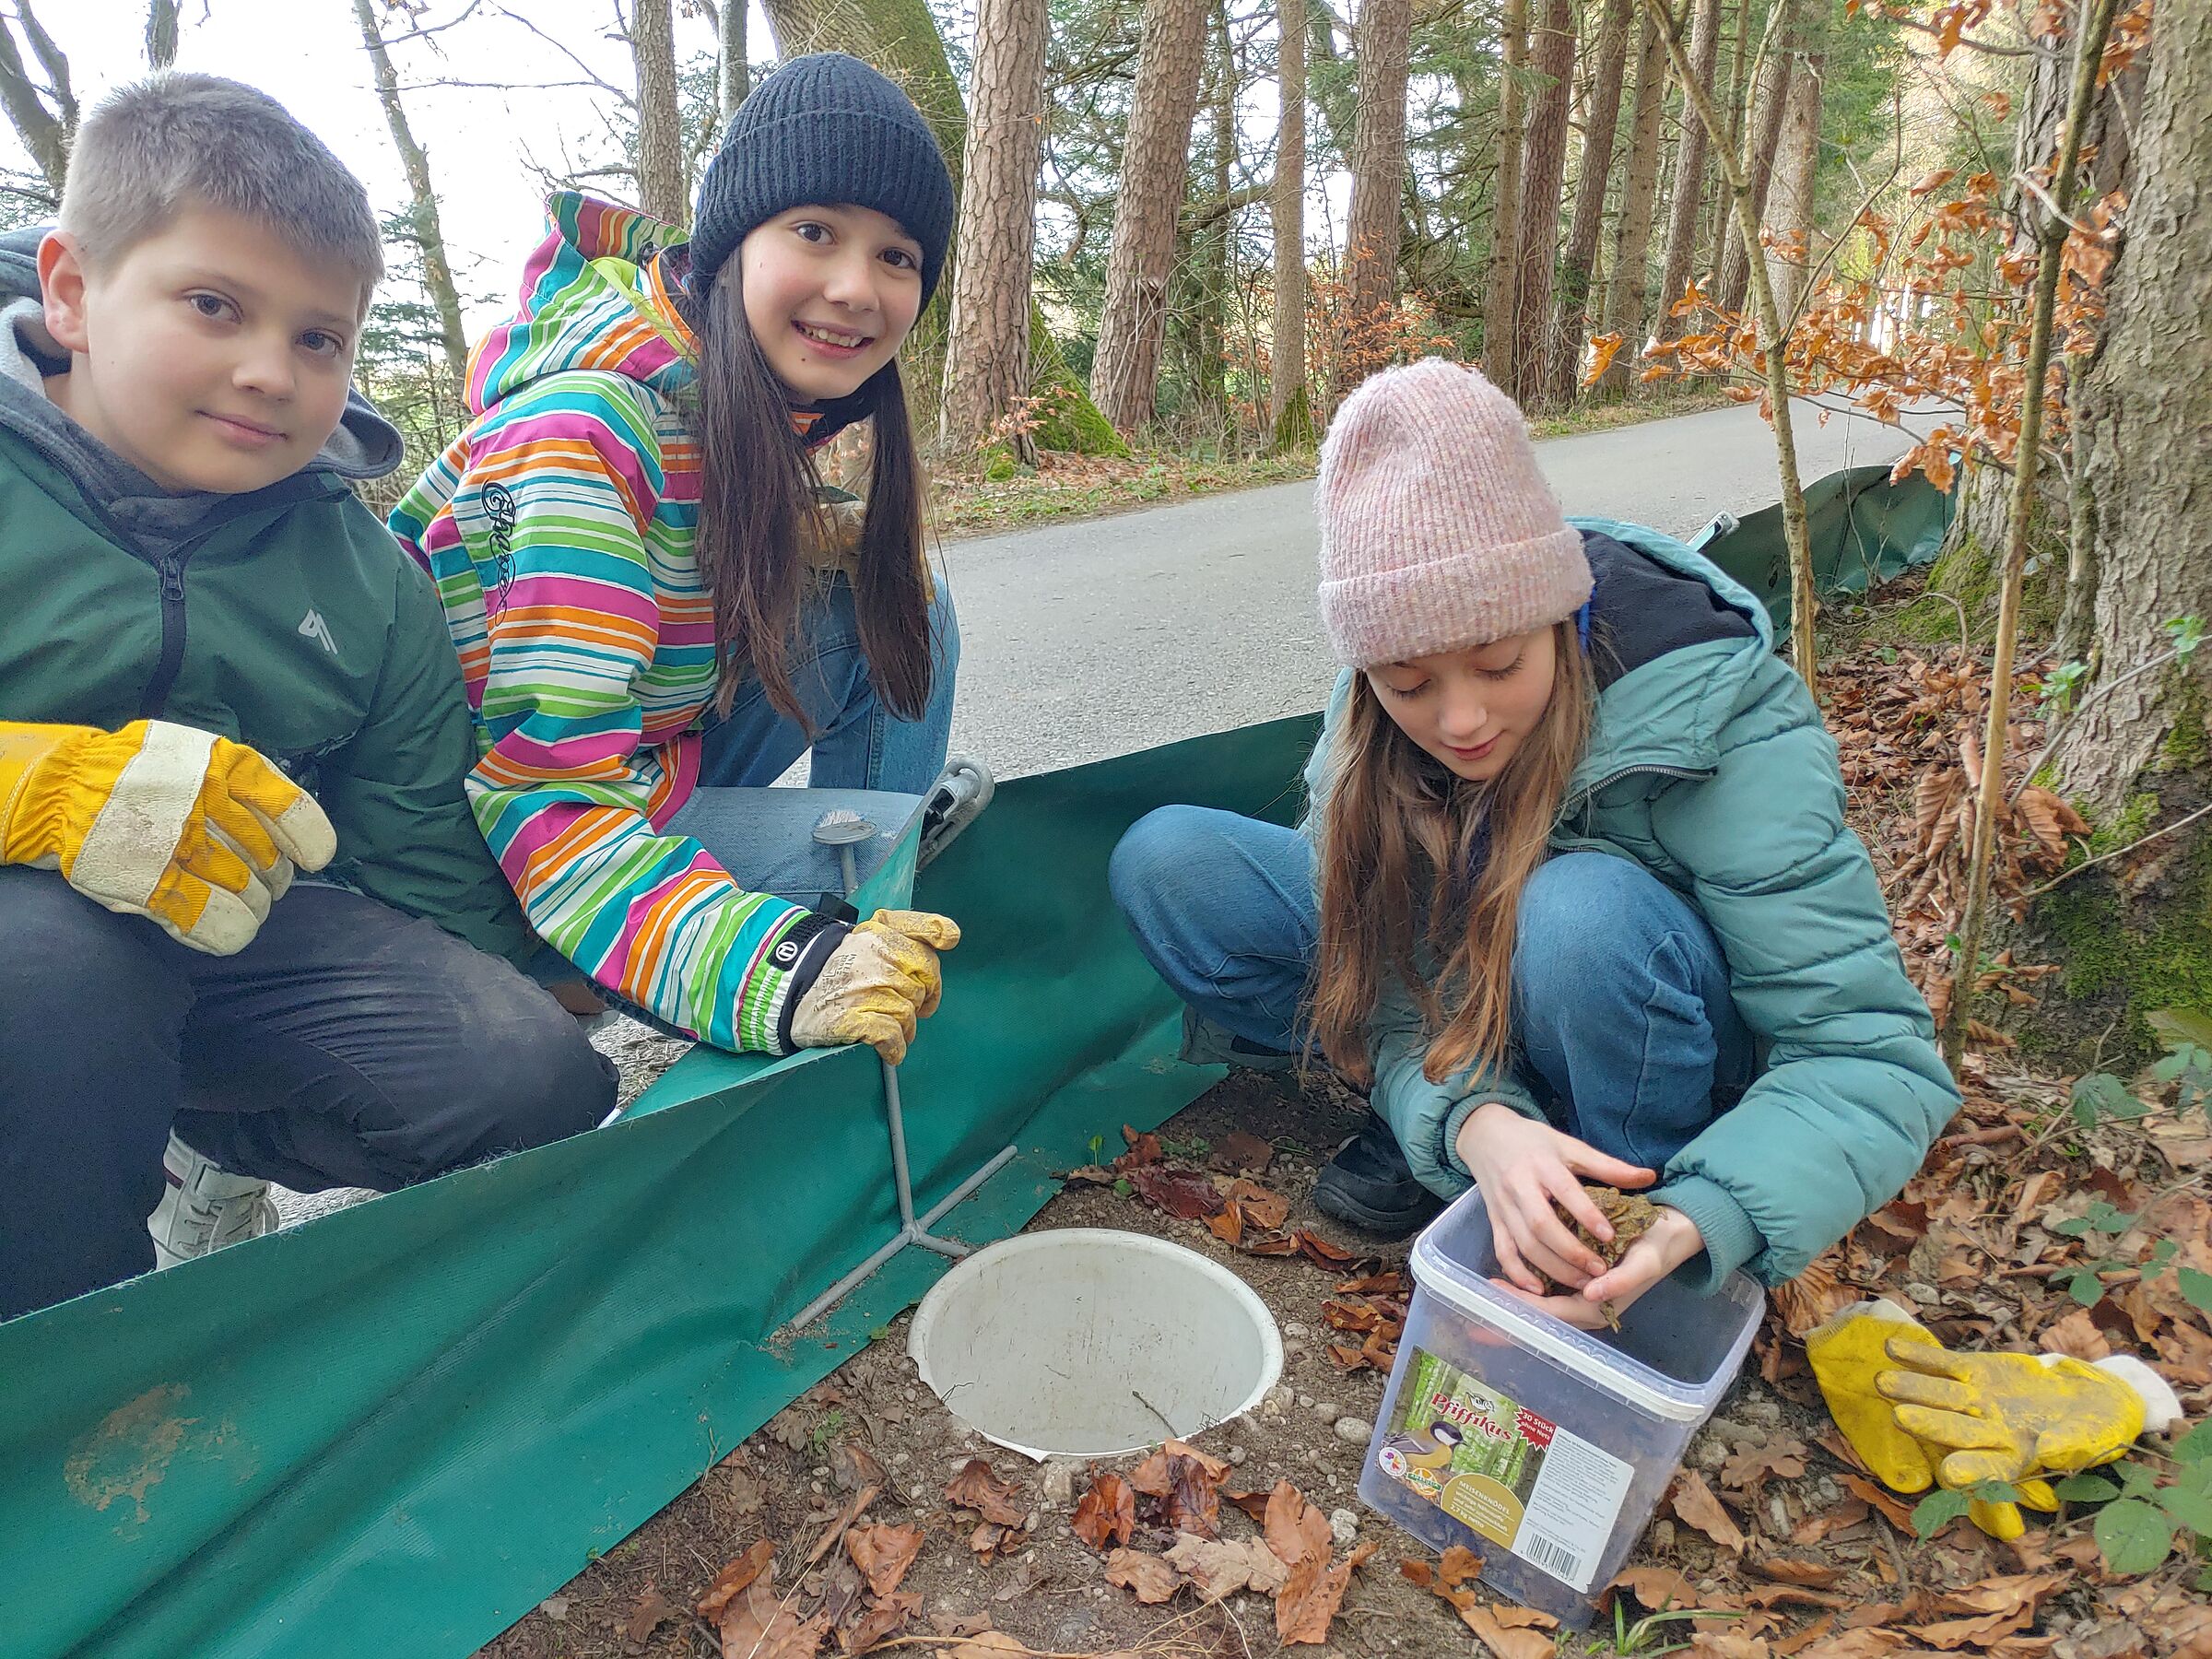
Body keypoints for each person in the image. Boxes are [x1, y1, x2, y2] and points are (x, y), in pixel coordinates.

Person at [1110, 359, 1959, 1330]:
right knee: (1173, 862)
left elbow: (1869, 1056)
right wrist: (1476, 1120)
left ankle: (1612, 1213)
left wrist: (1703, 1213)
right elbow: (1383, 977)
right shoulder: (1376, 725)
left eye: (1500, 664)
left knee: (1578, 913)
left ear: (1561, 614)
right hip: (1462, 1017)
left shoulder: (1722, 714)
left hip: (1638, 1024)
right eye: (1407, 681)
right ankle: (1463, 1137)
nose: (1460, 720)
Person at [0, 74, 615, 1324]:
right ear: (71, 291)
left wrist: (548, 981)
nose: (270, 372)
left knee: (535, 1080)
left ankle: (199, 1151)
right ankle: (79, 1395)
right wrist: (33, 782)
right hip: (29, 961)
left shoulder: (363, 571)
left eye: (318, 337)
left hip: (230, 935)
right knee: (54, 980)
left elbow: (416, 843)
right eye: (214, 305)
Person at [391, 53, 967, 1065]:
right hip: (489, 846)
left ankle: (871, 850)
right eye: (816, 232)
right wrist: (780, 969)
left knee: (900, 593)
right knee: (874, 860)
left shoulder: (727, 397)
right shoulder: (588, 431)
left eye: (898, 256)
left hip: (634, 760)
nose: (854, 288)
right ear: (731, 244)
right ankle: (839, 893)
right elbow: (544, 793)